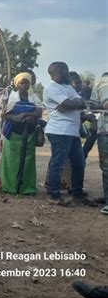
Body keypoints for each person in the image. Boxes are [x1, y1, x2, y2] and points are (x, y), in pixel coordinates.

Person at [43, 62, 92, 206]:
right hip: (59, 131)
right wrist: (73, 103)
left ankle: (77, 193)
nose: (68, 73)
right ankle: (54, 195)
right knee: (58, 163)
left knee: (79, 163)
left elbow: (81, 103)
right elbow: (71, 104)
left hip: (72, 131)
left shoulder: (67, 87)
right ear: (58, 71)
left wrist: (74, 103)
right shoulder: (51, 88)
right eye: (66, 71)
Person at [0, 72, 43, 195]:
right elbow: (5, 115)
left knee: (28, 161)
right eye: (22, 83)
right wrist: (15, 117)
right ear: (17, 85)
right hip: (13, 134)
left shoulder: (34, 97)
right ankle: (10, 187)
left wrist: (26, 115)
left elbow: (39, 112)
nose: (24, 85)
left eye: (27, 82)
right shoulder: (12, 97)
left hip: (29, 134)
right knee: (11, 160)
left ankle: (26, 188)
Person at [90, 72, 108, 215]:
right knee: (106, 166)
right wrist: (102, 104)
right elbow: (92, 104)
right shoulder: (100, 82)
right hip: (104, 130)